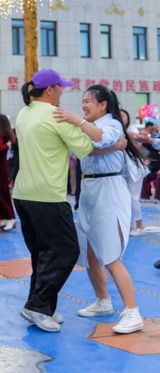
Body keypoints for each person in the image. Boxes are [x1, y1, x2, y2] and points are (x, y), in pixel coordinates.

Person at [54, 85, 144, 334]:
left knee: (111, 255)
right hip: (89, 188)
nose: (83, 105)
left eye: (88, 101)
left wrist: (77, 120)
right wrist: (110, 145)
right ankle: (103, 300)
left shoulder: (111, 124)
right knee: (90, 253)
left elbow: (102, 138)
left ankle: (132, 311)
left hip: (108, 188)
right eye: (82, 101)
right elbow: (83, 149)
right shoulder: (90, 126)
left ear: (103, 104)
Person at [12, 69, 97, 332]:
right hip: (47, 195)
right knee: (67, 250)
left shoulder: (23, 113)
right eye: (61, 87)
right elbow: (86, 148)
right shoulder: (57, 115)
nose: (63, 92)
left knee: (42, 253)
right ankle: (38, 306)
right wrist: (82, 124)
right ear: (50, 90)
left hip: (23, 193)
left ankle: (41, 305)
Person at [119, 108, 148, 236]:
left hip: (134, 169)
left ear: (128, 118)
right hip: (122, 170)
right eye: (120, 116)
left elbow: (138, 145)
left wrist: (124, 134)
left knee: (133, 198)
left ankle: (140, 225)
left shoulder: (132, 130)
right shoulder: (115, 130)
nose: (122, 118)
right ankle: (129, 224)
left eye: (124, 116)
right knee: (124, 199)